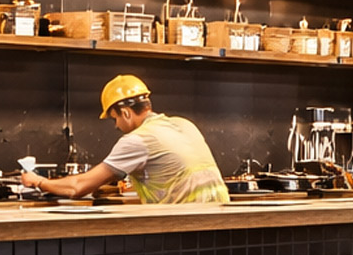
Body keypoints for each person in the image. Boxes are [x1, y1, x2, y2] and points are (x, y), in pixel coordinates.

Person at [21, 75, 229, 206]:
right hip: (222, 220)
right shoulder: (184, 124)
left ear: (126, 112)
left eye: (115, 118)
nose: (116, 126)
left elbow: (78, 187)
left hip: (182, 226)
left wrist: (38, 181)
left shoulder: (137, 140)